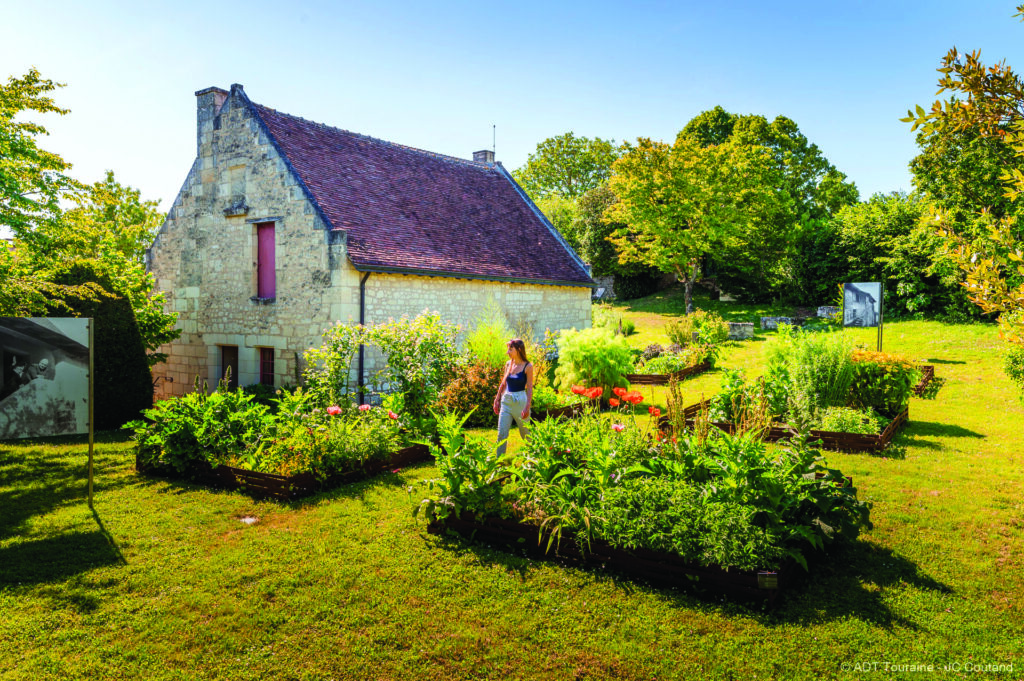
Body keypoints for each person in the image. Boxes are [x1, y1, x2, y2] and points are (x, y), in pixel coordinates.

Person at [493, 338, 534, 455]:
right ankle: (499, 462)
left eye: (510, 349)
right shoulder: (508, 364)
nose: (508, 352)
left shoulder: (528, 366)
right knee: (502, 433)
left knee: (525, 433)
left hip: (520, 402)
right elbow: (503, 383)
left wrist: (527, 406)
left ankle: (534, 458)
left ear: (519, 349)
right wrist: (497, 399)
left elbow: (530, 387)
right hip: (506, 401)